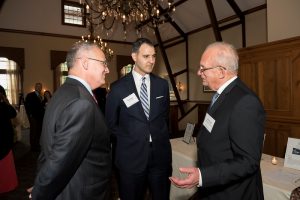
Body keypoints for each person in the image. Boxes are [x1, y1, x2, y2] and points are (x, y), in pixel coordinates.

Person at [169, 41, 265, 200]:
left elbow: (248, 162)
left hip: (233, 193)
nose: (199, 73)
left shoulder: (245, 102)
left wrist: (202, 176)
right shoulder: (221, 95)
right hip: (216, 188)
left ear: (221, 72)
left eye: (203, 68)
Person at [29, 41, 111, 200]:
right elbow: (60, 158)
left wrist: (40, 182)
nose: (107, 69)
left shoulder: (62, 92)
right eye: (104, 63)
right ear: (85, 63)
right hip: (81, 192)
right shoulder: (81, 102)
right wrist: (39, 192)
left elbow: (49, 149)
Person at [105, 38, 172, 200]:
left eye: (154, 56)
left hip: (160, 157)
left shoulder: (162, 85)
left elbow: (165, 117)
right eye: (146, 56)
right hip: (130, 158)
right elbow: (110, 124)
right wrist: (129, 137)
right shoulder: (118, 88)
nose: (151, 61)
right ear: (134, 56)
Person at [0, 85, 18, 193]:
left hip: (4, 138)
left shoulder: (4, 106)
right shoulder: (4, 106)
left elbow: (13, 113)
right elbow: (13, 113)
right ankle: (6, 185)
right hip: (4, 139)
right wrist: (6, 102)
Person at [25, 82, 44, 151]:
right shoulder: (30, 95)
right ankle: (32, 146)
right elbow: (27, 106)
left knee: (39, 131)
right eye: (37, 86)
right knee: (33, 131)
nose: (39, 87)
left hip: (40, 117)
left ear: (41, 88)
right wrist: (30, 115)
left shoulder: (41, 96)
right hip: (33, 117)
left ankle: (37, 144)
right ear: (35, 87)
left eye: (40, 86)